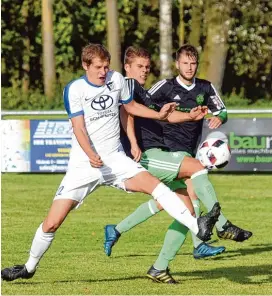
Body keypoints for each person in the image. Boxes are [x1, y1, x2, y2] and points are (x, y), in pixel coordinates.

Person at [0, 44, 221, 282]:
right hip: (84, 166)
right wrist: (90, 153)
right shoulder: (74, 90)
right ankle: (29, 267)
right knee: (52, 223)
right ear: (85, 65)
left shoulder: (117, 79)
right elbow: (79, 127)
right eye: (98, 67)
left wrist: (159, 115)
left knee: (157, 187)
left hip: (115, 160)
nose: (103, 71)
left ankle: (198, 227)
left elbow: (131, 108)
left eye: (106, 66)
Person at [103, 45, 252, 283]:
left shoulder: (142, 92)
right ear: (127, 67)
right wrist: (133, 142)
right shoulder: (128, 86)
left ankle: (159, 267)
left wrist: (191, 116)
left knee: (186, 210)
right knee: (197, 168)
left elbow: (165, 116)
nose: (144, 71)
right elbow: (126, 112)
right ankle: (222, 226)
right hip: (148, 155)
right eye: (139, 67)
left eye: (147, 67)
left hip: (158, 152)